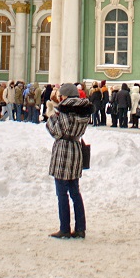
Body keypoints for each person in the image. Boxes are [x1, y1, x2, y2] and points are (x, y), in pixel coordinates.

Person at [46, 83, 91, 239]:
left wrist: (51, 117)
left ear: (64, 96)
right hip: (76, 149)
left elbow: (57, 131)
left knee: (62, 193)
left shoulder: (64, 111)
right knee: (75, 193)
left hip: (63, 151)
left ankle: (64, 228)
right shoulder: (84, 111)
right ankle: (80, 228)